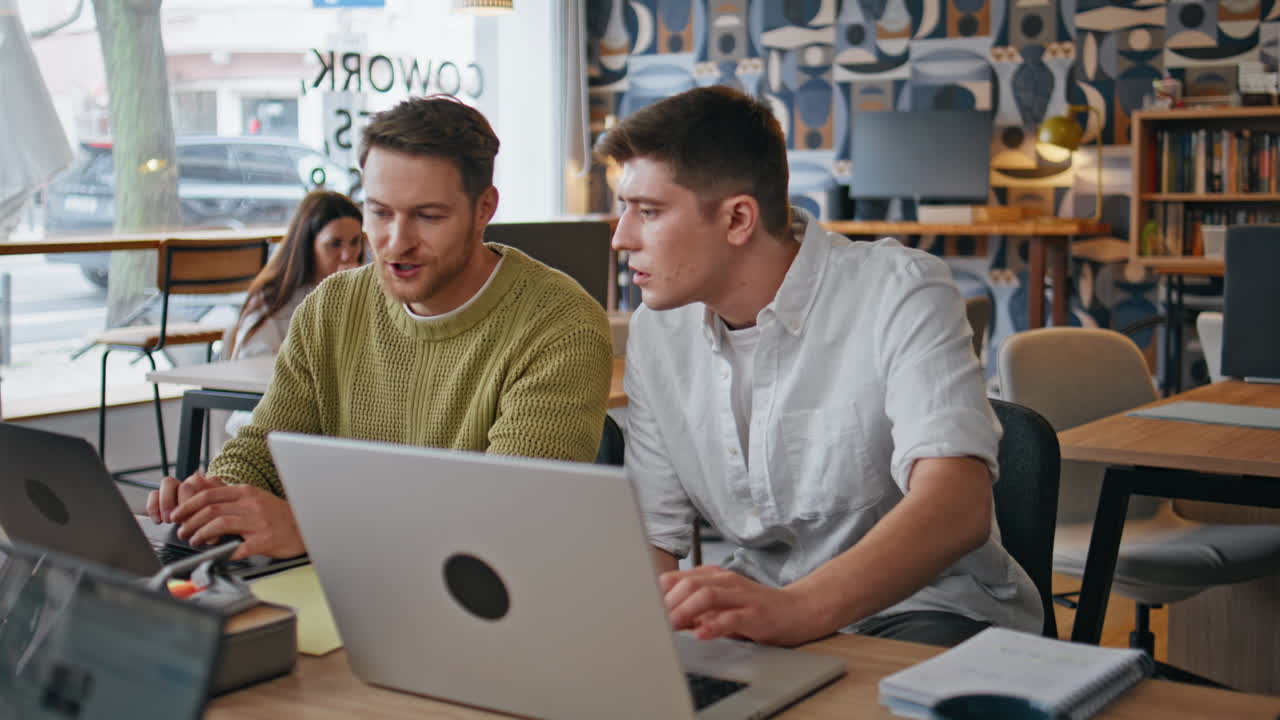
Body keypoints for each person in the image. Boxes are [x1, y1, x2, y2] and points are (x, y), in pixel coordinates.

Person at [596, 85, 1042, 648]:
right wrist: (657, 650)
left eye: (648, 212)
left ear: (738, 219)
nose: (621, 237)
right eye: (623, 209)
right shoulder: (658, 333)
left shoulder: (900, 290)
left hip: (922, 609)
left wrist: (797, 611)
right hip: (758, 610)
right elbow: (652, 538)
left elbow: (958, 506)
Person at [148, 95, 614, 560]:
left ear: (484, 209)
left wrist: (313, 528)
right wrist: (217, 499)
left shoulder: (561, 327)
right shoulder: (331, 306)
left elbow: (508, 519)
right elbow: (265, 449)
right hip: (341, 581)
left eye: (428, 217)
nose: (396, 242)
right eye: (380, 212)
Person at [221, 190, 364, 438]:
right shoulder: (274, 298)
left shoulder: (365, 292)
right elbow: (257, 366)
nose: (347, 254)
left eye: (355, 242)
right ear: (308, 245)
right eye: (334, 244)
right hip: (276, 412)